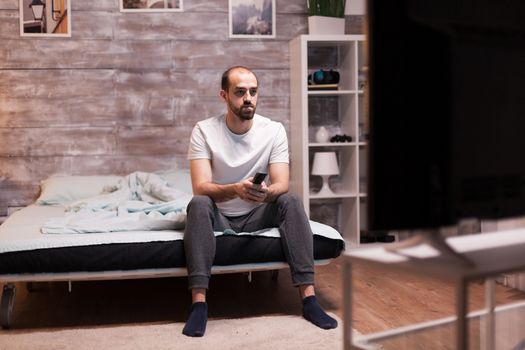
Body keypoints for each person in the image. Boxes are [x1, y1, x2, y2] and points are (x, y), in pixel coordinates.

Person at [182, 66, 338, 337]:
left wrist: (265, 194)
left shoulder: (273, 130)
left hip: (257, 212)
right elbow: (200, 187)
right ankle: (199, 305)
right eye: (240, 92)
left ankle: (309, 299)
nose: (248, 98)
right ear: (224, 95)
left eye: (253, 92)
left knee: (290, 199)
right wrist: (234, 190)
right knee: (198, 204)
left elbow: (282, 183)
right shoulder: (204, 130)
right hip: (219, 214)